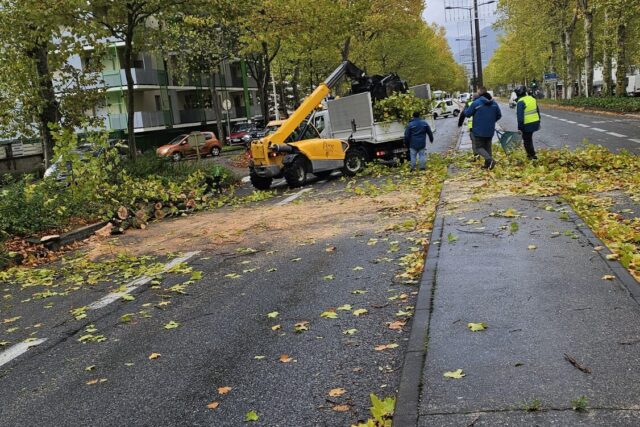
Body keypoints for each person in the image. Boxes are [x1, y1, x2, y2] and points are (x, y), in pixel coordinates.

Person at [463, 87, 502, 170]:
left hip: (478, 130)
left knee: (478, 147)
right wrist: (490, 121)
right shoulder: (494, 103)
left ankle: (490, 160)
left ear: (480, 93)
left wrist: (465, 108)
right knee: (488, 146)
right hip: (490, 130)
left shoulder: (476, 103)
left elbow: (467, 114)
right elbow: (499, 115)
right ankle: (488, 165)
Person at [514, 85, 541, 160]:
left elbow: (520, 117)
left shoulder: (520, 102)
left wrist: (520, 128)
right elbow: (537, 111)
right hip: (535, 122)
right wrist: (539, 121)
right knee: (529, 138)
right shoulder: (532, 98)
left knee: (527, 140)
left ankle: (532, 156)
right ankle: (531, 154)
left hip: (527, 124)